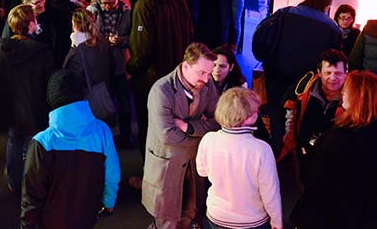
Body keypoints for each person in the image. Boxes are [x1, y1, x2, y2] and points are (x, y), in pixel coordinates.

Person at [21, 69, 120, 229]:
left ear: (52, 100)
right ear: (82, 94)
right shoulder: (102, 131)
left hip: (51, 221)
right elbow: (112, 174)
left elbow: (31, 197)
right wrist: (108, 202)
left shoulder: (42, 143)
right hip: (87, 216)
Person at [253, 0, 342, 156]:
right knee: (295, 115)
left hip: (276, 72)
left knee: (275, 109)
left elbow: (263, 35)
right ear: (327, 5)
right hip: (305, 81)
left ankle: (276, 145)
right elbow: (333, 58)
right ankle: (289, 152)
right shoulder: (332, 28)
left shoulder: (285, 13)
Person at [126, 0, 192, 176]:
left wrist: (131, 69)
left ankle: (152, 173)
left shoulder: (144, 4)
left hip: (151, 80)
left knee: (148, 127)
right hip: (178, 76)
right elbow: (189, 35)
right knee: (173, 126)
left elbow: (141, 49)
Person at [142, 42, 220, 229]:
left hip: (193, 166)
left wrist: (188, 127)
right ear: (185, 66)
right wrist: (201, 133)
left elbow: (217, 121)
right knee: (166, 219)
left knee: (190, 213)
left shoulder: (207, 87)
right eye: (202, 72)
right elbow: (167, 136)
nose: (207, 79)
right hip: (166, 164)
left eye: (209, 73)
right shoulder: (161, 91)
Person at [290, 70, 377, 228]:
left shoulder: (339, 136)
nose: (342, 92)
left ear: (358, 98)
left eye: (347, 90)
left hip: (329, 215)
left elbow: (313, 177)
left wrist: (307, 156)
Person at [0, 4, 54, 194]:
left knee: (14, 143)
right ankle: (36, 182)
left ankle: (14, 181)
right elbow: (50, 83)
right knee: (36, 147)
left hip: (10, 107)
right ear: (31, 24)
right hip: (36, 107)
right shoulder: (42, 52)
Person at [197, 88, 282, 229]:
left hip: (216, 216)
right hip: (252, 221)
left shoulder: (208, 139)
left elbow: (202, 172)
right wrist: (277, 221)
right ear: (249, 117)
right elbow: (270, 193)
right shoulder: (261, 149)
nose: (258, 112)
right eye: (256, 110)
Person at [278, 49, 347, 175]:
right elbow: (288, 115)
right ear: (319, 73)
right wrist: (292, 146)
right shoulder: (302, 91)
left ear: (345, 74)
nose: (333, 78)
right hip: (302, 156)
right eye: (328, 73)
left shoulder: (353, 99)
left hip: (335, 163)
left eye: (338, 73)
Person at [87, 0, 132, 146]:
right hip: (100, 64)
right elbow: (86, 37)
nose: (106, 6)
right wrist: (103, 41)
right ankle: (105, 138)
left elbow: (133, 38)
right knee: (103, 104)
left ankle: (126, 136)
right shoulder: (91, 11)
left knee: (124, 103)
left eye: (111, 2)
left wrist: (121, 40)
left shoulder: (127, 12)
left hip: (120, 63)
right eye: (104, 2)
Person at [63, 9, 113, 120]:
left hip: (85, 102)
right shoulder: (102, 42)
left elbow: (73, 77)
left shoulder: (78, 51)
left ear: (75, 25)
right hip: (104, 97)